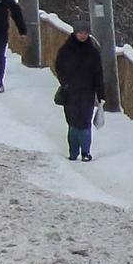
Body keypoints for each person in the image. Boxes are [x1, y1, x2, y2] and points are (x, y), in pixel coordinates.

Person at [54, 23, 105, 161]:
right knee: (73, 122)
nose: (83, 35)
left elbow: (98, 73)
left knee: (85, 122)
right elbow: (59, 67)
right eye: (80, 32)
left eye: (85, 33)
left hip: (88, 92)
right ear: (75, 33)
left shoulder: (93, 52)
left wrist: (101, 94)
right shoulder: (66, 50)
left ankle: (86, 152)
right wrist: (65, 83)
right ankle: (73, 152)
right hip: (70, 92)